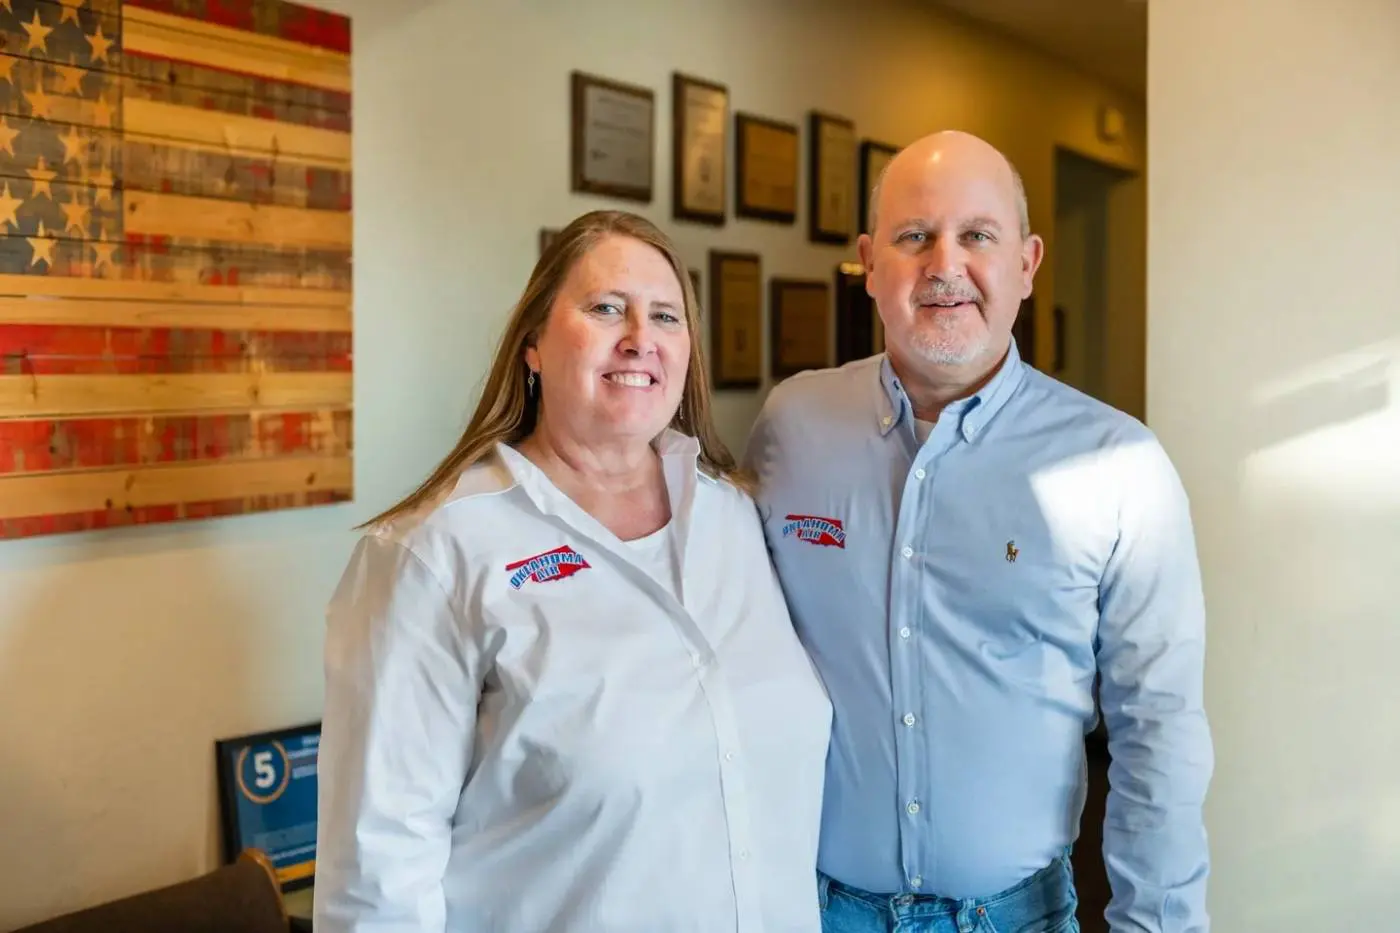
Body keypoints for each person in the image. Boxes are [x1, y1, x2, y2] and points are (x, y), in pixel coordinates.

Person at [744, 130, 1213, 933]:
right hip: (808, 910)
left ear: (1027, 264)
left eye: (977, 235)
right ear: (869, 262)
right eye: (914, 236)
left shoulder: (1118, 464)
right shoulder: (793, 424)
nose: (944, 265)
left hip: (1015, 919)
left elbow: (1157, 731)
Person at [314, 209, 832, 933]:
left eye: (666, 316)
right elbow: (378, 876)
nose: (640, 339)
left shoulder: (738, 517)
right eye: (605, 308)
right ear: (533, 341)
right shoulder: (436, 550)